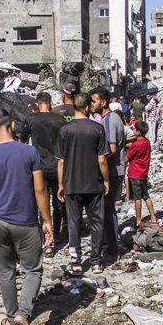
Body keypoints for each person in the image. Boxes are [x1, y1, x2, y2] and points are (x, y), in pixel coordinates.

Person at [0, 109, 53, 325]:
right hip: (26, 221)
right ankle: (24, 313)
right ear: (11, 125)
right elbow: (40, 190)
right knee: (32, 270)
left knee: (6, 271)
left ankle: (11, 317)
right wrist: (47, 221)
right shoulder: (29, 152)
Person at [57, 93, 110, 276]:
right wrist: (106, 180)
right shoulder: (97, 129)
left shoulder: (65, 130)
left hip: (72, 183)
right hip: (93, 184)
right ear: (87, 107)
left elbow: (61, 161)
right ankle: (96, 261)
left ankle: (76, 262)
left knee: (74, 223)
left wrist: (60, 184)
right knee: (97, 222)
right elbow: (102, 159)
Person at [20, 92, 66, 254]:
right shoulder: (59, 120)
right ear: (50, 102)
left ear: (37, 103)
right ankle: (58, 233)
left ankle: (45, 238)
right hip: (58, 167)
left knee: (42, 202)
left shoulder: (30, 119)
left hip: (38, 168)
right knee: (59, 202)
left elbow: (22, 142)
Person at [91, 86, 126, 261]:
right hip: (112, 170)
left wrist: (96, 160)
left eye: (94, 101)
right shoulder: (106, 118)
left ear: (103, 103)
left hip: (112, 171)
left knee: (108, 209)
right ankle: (109, 243)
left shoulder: (109, 120)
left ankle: (112, 248)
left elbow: (111, 148)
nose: (91, 104)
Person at [126, 121, 157, 227]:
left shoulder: (136, 144)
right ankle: (153, 217)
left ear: (138, 132)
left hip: (134, 173)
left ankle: (138, 220)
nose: (133, 131)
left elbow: (127, 158)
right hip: (143, 173)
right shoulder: (147, 142)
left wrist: (128, 148)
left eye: (134, 129)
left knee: (137, 198)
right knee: (146, 196)